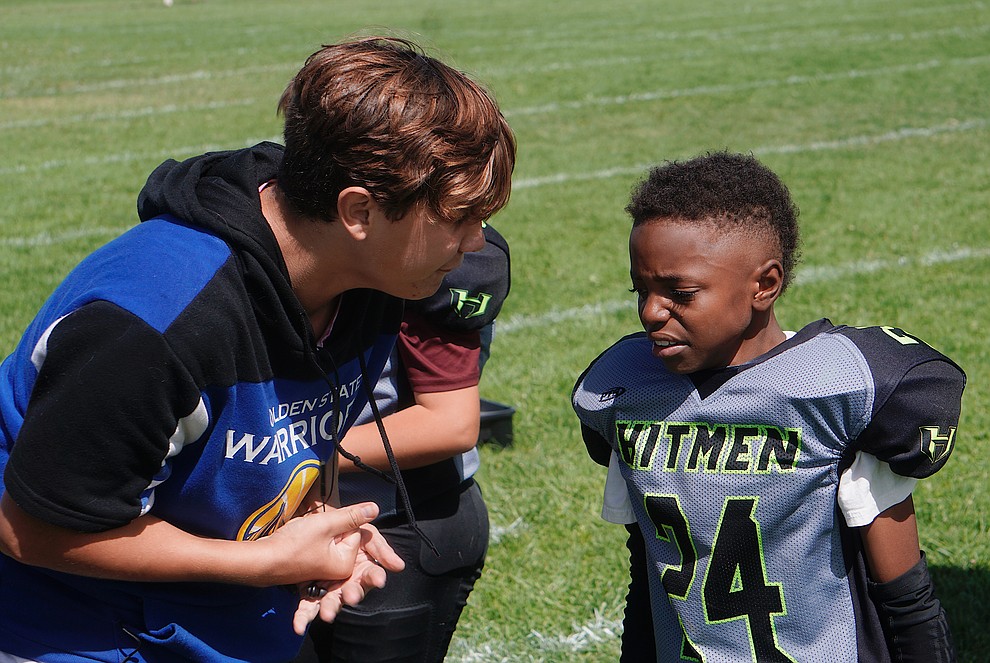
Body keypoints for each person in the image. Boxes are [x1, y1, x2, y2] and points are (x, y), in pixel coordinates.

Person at [0, 36, 515, 663]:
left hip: (219, 620)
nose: (477, 240)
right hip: (70, 633)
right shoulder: (158, 322)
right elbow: (27, 526)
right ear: (359, 211)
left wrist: (314, 523)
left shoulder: (369, 278)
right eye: (459, 216)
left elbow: (295, 436)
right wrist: (259, 560)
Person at [571, 152, 963, 662]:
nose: (649, 312)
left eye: (679, 293)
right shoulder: (627, 393)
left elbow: (907, 596)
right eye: (640, 289)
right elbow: (646, 576)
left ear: (764, 285)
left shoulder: (837, 391)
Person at [296, 222, 510, 663]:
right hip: (292, 515)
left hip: (400, 520)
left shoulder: (428, 261)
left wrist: (289, 456)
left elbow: (448, 425)